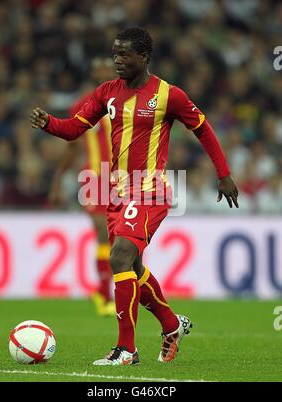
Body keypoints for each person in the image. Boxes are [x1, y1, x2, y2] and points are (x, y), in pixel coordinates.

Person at [30, 27, 239, 366]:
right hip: (116, 192)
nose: (117, 60)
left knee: (119, 257)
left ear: (143, 57)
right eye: (115, 54)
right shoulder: (107, 92)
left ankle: (126, 349)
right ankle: (171, 325)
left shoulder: (169, 95)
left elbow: (203, 128)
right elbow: (75, 128)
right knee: (134, 268)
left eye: (124, 54)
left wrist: (224, 173)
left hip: (150, 190)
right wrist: (48, 123)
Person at [48, 58, 116, 316]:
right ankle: (104, 294)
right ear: (93, 72)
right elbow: (72, 146)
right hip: (96, 178)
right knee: (102, 232)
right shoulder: (84, 105)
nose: (104, 72)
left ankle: (103, 291)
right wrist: (57, 181)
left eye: (108, 68)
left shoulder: (130, 101)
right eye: (99, 68)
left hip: (126, 179)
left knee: (120, 240)